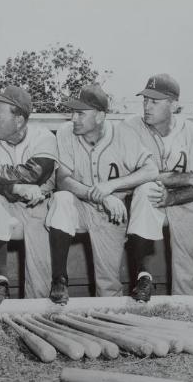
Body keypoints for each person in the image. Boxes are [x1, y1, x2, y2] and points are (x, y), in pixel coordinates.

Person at [45, 84, 159, 305]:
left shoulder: (123, 134)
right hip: (81, 206)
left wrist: (112, 186)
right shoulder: (66, 132)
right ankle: (59, 279)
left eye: (80, 113)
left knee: (108, 286)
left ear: (100, 116)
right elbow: (62, 180)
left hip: (112, 215)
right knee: (61, 199)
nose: (73, 117)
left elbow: (151, 170)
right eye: (73, 112)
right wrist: (100, 194)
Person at [125, 74, 193, 302]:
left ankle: (185, 313)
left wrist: (174, 197)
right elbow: (135, 177)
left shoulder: (192, 133)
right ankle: (142, 276)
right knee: (145, 189)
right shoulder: (130, 128)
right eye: (145, 100)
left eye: (155, 102)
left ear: (174, 105)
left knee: (186, 267)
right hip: (148, 201)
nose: (147, 106)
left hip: (183, 202)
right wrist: (187, 177)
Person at [0, 85, 57, 303]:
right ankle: (0, 283)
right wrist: (16, 187)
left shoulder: (43, 136)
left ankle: (38, 310)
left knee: (39, 289)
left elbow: (35, 173)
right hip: (4, 206)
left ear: (18, 120)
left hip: (37, 206)